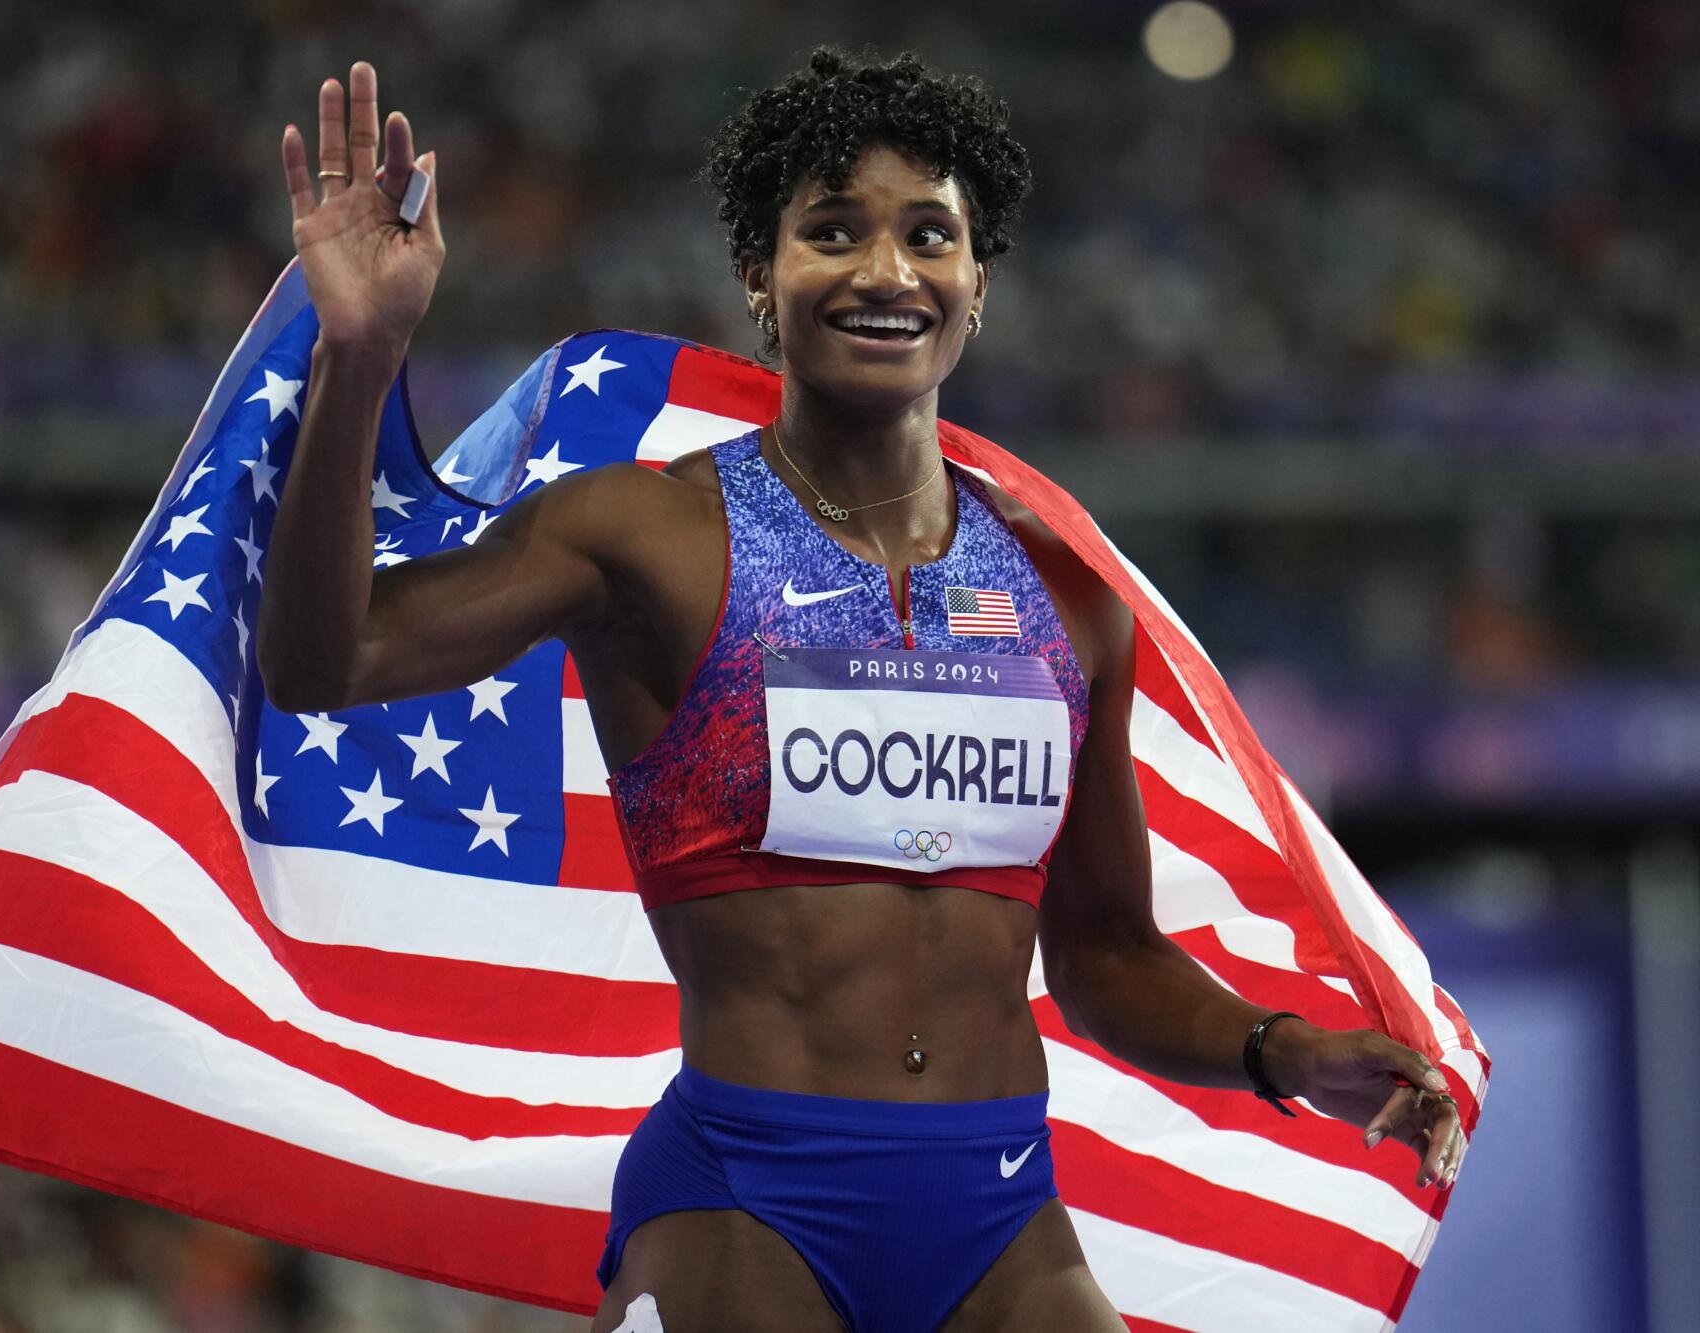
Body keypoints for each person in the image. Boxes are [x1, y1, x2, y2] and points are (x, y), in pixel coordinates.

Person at [258, 47, 1467, 1333]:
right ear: (759, 281)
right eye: (831, 232)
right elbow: (331, 659)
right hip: (743, 1202)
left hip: (1000, 1210)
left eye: (927, 235)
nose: (884, 272)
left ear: (975, 285)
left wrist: (1286, 1051)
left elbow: (1105, 952)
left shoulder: (1066, 590)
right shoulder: (649, 535)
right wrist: (361, 353)